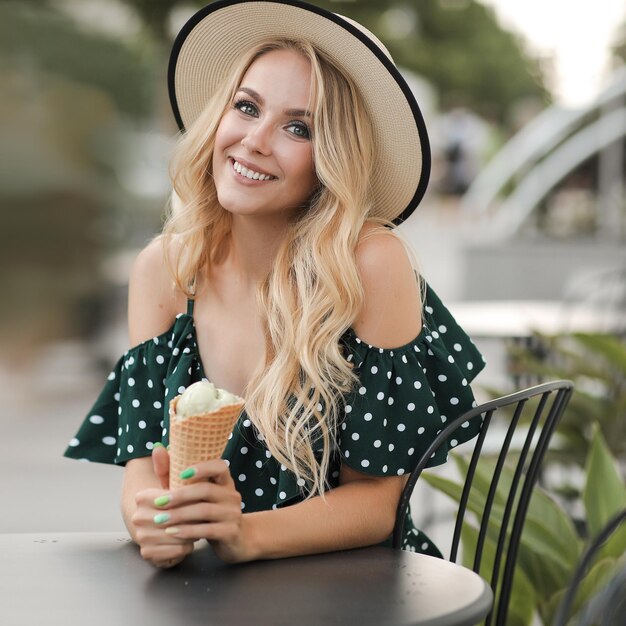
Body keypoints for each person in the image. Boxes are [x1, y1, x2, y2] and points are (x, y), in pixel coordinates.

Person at [65, 0, 485, 569]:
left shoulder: (370, 264)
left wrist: (247, 534)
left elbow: (379, 502)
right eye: (245, 107)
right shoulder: (163, 270)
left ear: (333, 156)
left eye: (297, 127)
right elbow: (146, 463)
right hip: (207, 593)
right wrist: (151, 519)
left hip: (351, 590)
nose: (255, 140)